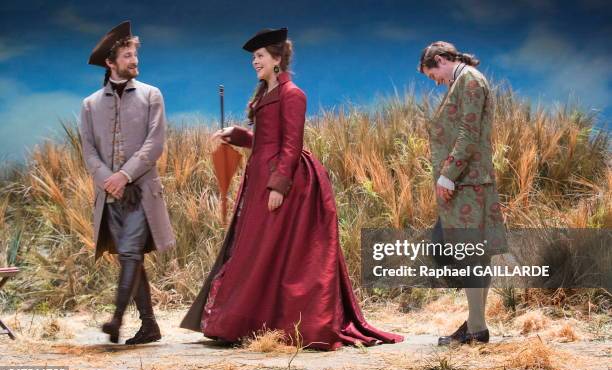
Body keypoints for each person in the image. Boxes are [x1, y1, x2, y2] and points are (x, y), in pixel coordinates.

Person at [181, 28, 403, 350]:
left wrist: (279, 187)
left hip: (286, 185)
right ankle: (249, 323)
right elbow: (265, 141)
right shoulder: (265, 95)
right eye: (253, 58)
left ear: (276, 59)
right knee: (258, 252)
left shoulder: (292, 94)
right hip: (260, 179)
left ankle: (282, 324)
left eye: (259, 56)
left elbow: (291, 144)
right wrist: (237, 135)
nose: (254, 62)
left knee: (277, 253)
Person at [80, 21, 175, 344]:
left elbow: (155, 144)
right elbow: (88, 149)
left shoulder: (152, 96)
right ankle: (149, 325)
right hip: (110, 197)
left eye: (135, 54)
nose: (134, 60)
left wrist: (124, 175)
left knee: (131, 253)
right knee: (129, 257)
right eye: (127, 55)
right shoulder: (90, 105)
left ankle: (117, 319)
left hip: (141, 193)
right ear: (111, 62)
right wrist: (108, 180)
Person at [417, 41, 507, 345]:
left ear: (441, 60)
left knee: (453, 251)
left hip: (468, 183)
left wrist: (447, 174)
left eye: (433, 75)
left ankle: (477, 328)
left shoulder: (469, 81)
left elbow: (469, 133)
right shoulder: (464, 81)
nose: (437, 82)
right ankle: (475, 326)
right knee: (468, 255)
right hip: (467, 182)